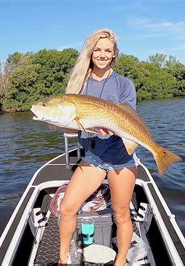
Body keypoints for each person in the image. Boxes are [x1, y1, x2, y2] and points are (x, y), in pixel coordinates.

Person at [50, 28, 138, 265]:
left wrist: (112, 130)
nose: (102, 54)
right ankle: (62, 260)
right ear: (90, 53)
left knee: (121, 215)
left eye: (107, 50)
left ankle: (120, 261)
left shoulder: (124, 85)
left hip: (121, 157)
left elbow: (128, 121)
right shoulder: (78, 84)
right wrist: (56, 124)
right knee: (67, 208)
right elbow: (72, 129)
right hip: (94, 156)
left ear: (114, 55)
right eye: (97, 49)